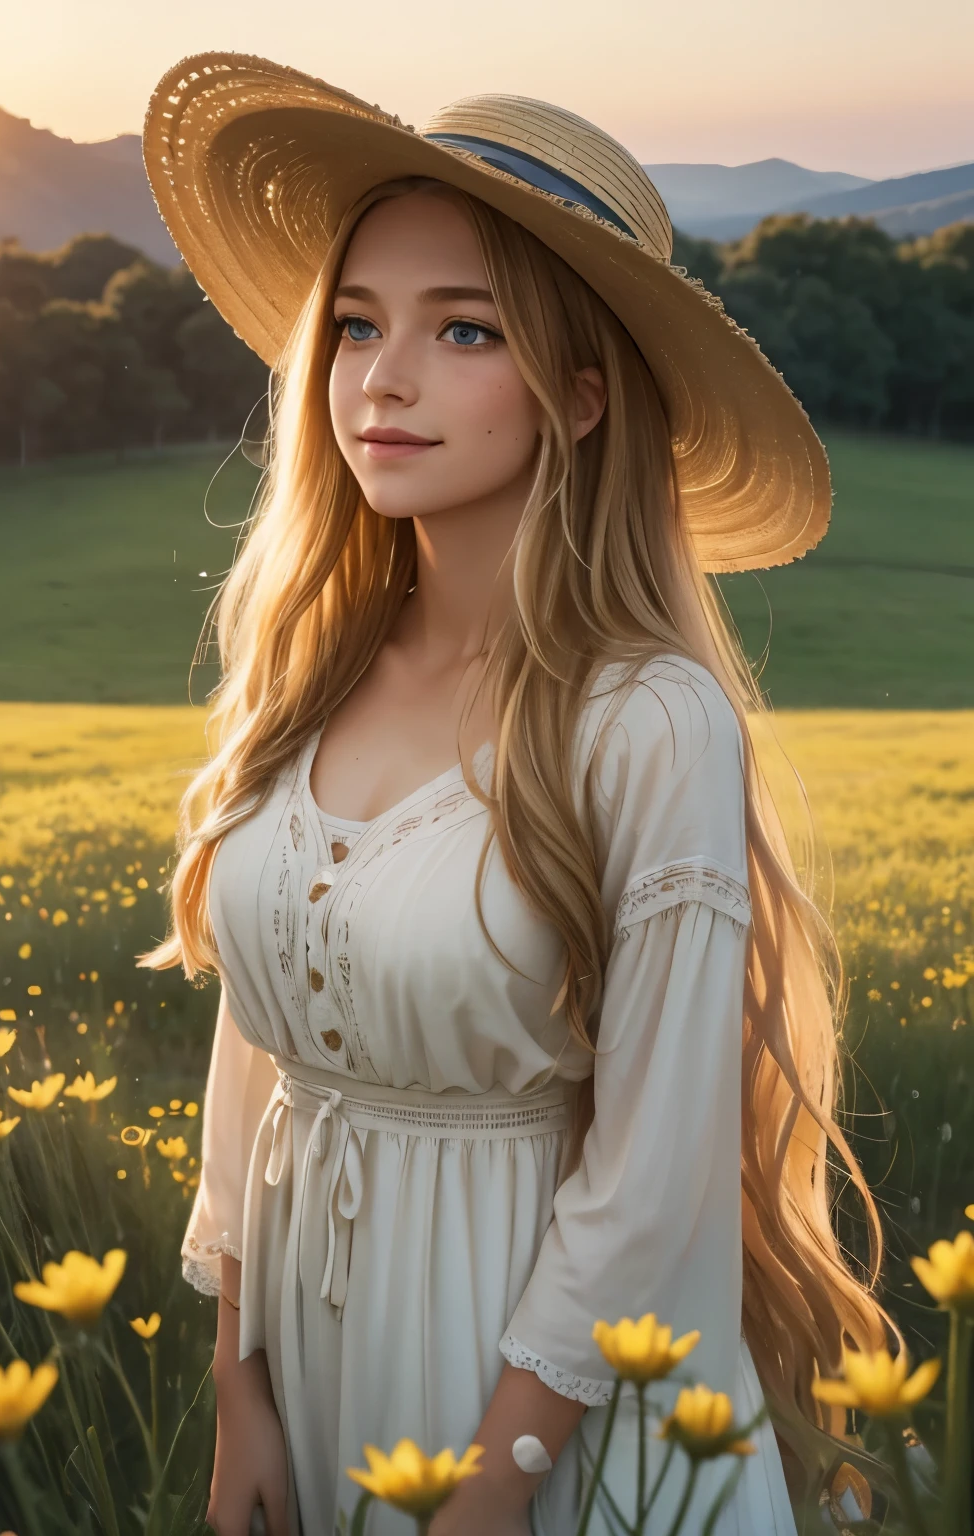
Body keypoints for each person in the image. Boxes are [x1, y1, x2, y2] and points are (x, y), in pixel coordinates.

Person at [139, 55, 898, 1536]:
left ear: (583, 395)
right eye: (357, 325)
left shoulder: (650, 724)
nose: (383, 377)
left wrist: (502, 1478)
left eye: (463, 328)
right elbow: (261, 1054)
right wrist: (241, 1388)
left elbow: (653, 1166)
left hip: (545, 1392)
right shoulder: (309, 673)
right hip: (308, 1365)